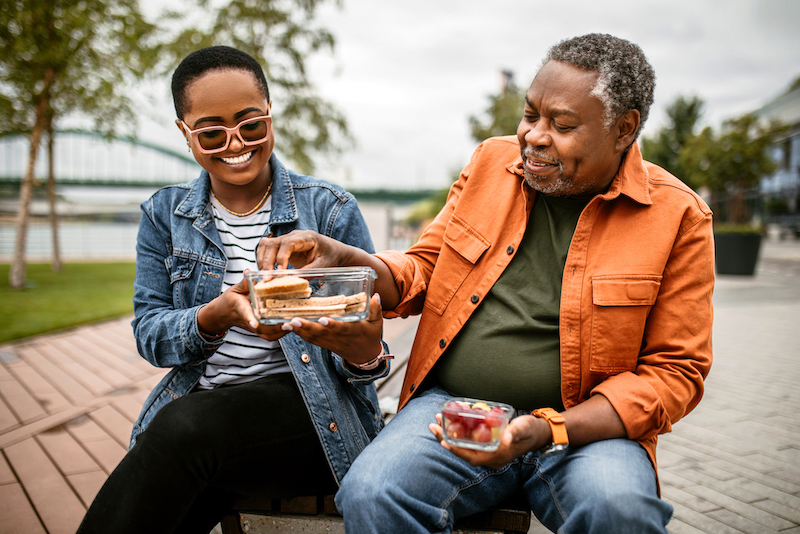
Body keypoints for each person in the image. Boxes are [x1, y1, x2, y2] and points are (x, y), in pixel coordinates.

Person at [256, 33, 715, 533]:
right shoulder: (489, 166)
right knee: (373, 493)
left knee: (620, 512)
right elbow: (423, 270)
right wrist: (355, 263)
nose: (535, 136)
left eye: (562, 124)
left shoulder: (679, 217)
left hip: (587, 433)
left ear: (624, 129)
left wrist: (547, 429)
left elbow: (675, 373)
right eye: (530, 114)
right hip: (454, 410)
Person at [77, 45, 389, 534]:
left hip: (314, 420)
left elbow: (366, 358)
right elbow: (150, 336)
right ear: (185, 133)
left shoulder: (329, 210)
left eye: (250, 125)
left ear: (270, 117)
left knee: (184, 433)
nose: (234, 142)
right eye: (211, 131)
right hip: (209, 418)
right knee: (186, 469)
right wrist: (215, 315)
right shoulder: (163, 215)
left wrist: (363, 351)